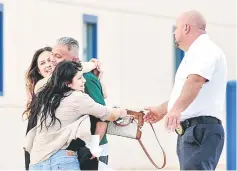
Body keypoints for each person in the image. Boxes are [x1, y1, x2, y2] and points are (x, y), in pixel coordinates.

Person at [144, 10, 227, 170]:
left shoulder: (205, 49)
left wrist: (175, 110)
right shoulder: (195, 53)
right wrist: (162, 110)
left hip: (200, 131)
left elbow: (196, 81)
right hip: (194, 131)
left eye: (176, 28)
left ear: (186, 28)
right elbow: (187, 92)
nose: (174, 32)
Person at [23, 60, 127, 170]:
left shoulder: (44, 95)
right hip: (61, 161)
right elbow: (109, 114)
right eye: (79, 78)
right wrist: (120, 112)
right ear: (67, 83)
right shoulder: (77, 98)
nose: (84, 80)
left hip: (36, 163)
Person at [34, 37, 110, 170]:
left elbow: (102, 116)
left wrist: (94, 147)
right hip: (70, 152)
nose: (52, 60)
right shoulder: (57, 83)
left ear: (74, 60)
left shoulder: (86, 79)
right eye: (52, 54)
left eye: (57, 56)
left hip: (91, 150)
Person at [24, 46, 98, 170]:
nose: (48, 65)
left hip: (70, 155)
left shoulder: (76, 88)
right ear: (38, 71)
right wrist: (92, 64)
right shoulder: (40, 87)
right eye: (42, 63)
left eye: (50, 60)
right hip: (43, 156)